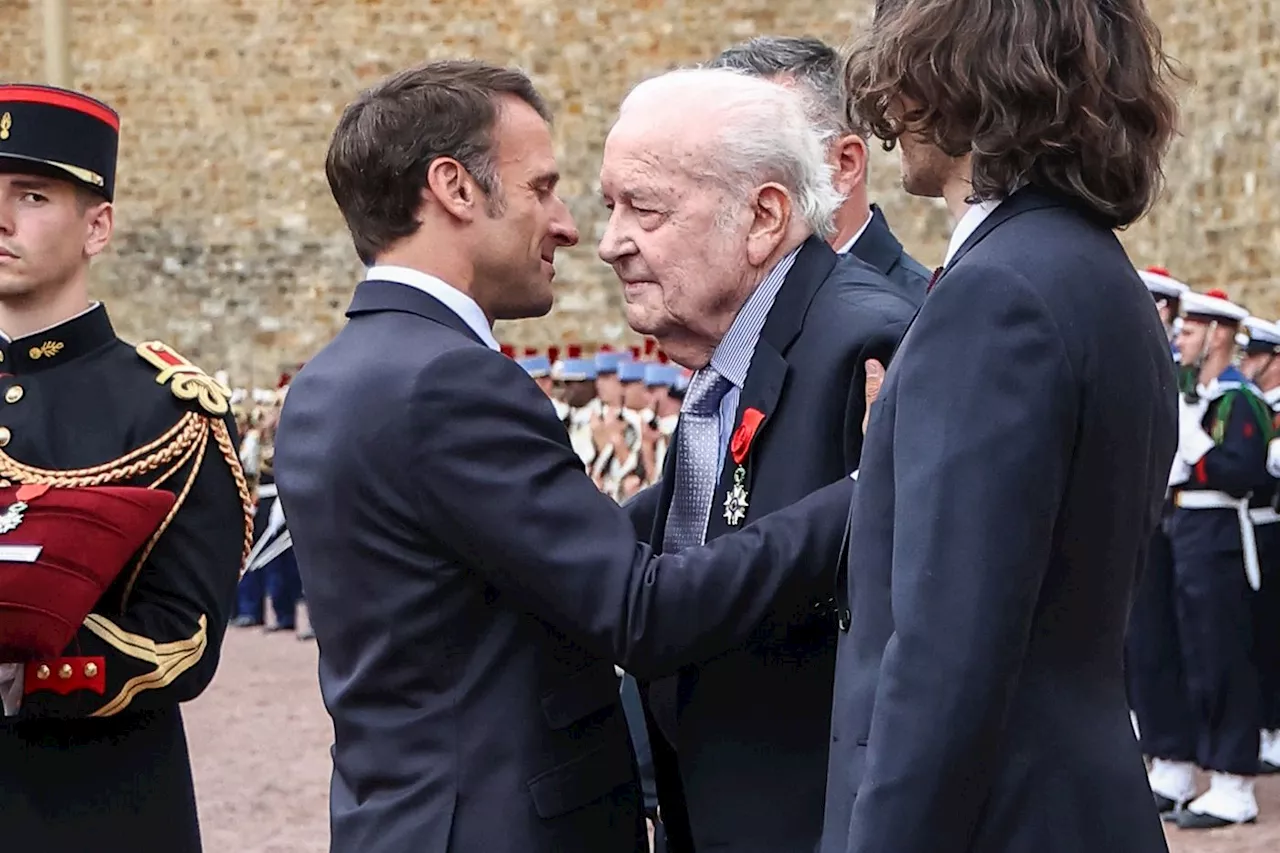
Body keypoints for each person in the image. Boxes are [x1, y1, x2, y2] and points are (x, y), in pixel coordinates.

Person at [272, 59, 857, 853]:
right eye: (543, 187)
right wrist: (865, 484)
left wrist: (706, 471)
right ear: (455, 187)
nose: (571, 226)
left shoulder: (338, 376)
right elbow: (642, 612)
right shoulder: (446, 380)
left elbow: (521, 557)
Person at [825, 1, 1181, 851]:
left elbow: (947, 658)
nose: (890, 102)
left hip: (1003, 815)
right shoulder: (1082, 266)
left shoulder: (1000, 291)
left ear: (962, 76)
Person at [598, 67, 914, 850]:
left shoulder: (867, 348)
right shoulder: (739, 346)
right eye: (610, 207)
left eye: (644, 207)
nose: (610, 243)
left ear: (764, 216)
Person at [0, 84, 253, 852]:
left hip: (91, 812)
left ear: (97, 226)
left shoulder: (167, 410)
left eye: (33, 195)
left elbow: (184, 639)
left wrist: (21, 674)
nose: (1, 219)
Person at [1152, 289, 1272, 828]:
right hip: (1187, 527)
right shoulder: (1198, 394)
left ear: (1219, 335)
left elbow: (1247, 472)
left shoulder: (1238, 399)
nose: (1181, 338)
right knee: (1189, 653)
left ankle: (1232, 782)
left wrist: (1198, 450)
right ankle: (1185, 766)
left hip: (1222, 527)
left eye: (1192, 331)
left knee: (1225, 655)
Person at [708, 35, 932, 305]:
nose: (725, 182)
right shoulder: (718, 309)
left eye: (759, 150)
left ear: (844, 164)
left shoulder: (915, 318)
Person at [1239, 316, 1280, 774]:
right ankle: (1268, 725)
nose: (1248, 363)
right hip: (1253, 526)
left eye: (1256, 355)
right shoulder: (1251, 404)